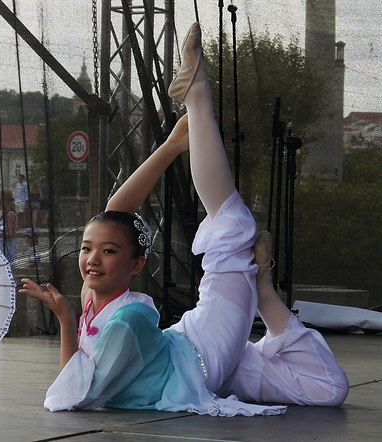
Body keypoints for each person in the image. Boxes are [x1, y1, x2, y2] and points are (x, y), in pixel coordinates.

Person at [19, 23, 348, 416]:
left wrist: (173, 147)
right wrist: (67, 318)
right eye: (87, 249)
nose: (91, 258)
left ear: (136, 264)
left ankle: (199, 99)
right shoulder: (101, 306)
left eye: (107, 251)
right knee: (328, 388)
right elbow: (75, 393)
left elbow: (115, 215)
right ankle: (258, 284)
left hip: (204, 349)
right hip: (199, 365)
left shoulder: (124, 315)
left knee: (232, 227)